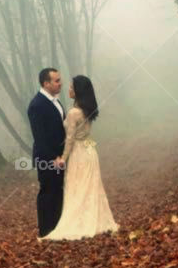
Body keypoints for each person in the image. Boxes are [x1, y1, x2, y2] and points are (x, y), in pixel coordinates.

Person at [43, 75, 119, 240]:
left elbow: (70, 139)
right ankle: (95, 220)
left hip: (78, 152)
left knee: (77, 187)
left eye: (72, 87)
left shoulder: (73, 112)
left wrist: (63, 158)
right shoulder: (87, 109)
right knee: (90, 187)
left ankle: (79, 222)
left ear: (78, 91)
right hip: (90, 151)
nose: (68, 89)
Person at [27, 67, 66, 237]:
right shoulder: (37, 105)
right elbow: (40, 137)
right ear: (46, 83)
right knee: (47, 192)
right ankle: (45, 231)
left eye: (59, 79)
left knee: (58, 191)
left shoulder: (55, 101)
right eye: (56, 80)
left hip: (60, 157)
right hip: (47, 158)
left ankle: (57, 228)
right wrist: (53, 158)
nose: (60, 83)